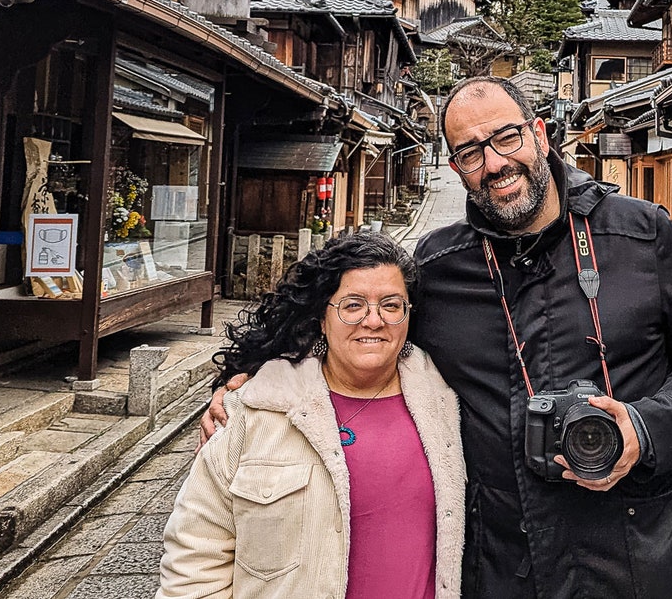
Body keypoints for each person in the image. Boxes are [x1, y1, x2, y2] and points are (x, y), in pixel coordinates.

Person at [205, 77, 672, 599]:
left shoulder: (641, 232)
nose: (495, 163)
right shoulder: (440, 268)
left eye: (507, 138)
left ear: (539, 133)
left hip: (645, 552)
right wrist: (254, 377)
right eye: (469, 153)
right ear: (457, 168)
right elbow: (355, 329)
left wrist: (645, 429)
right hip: (505, 562)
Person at [161, 231, 465, 599]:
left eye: (391, 304)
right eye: (353, 305)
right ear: (323, 317)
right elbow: (195, 554)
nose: (373, 320)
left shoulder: (446, 398)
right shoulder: (258, 408)